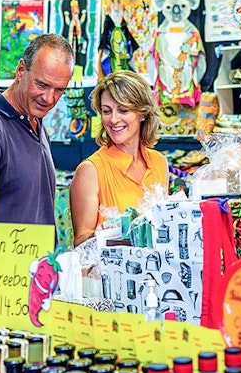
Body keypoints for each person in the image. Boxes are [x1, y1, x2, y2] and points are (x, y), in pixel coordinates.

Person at [0, 33, 74, 226]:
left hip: (40, 257)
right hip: (3, 256)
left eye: (59, 89)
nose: (49, 98)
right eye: (42, 85)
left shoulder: (35, 121)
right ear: (20, 70)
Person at [69, 71, 168, 245]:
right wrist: (110, 233)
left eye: (123, 110)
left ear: (142, 113)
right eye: (107, 111)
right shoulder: (90, 170)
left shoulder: (159, 162)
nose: (113, 119)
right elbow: (81, 243)